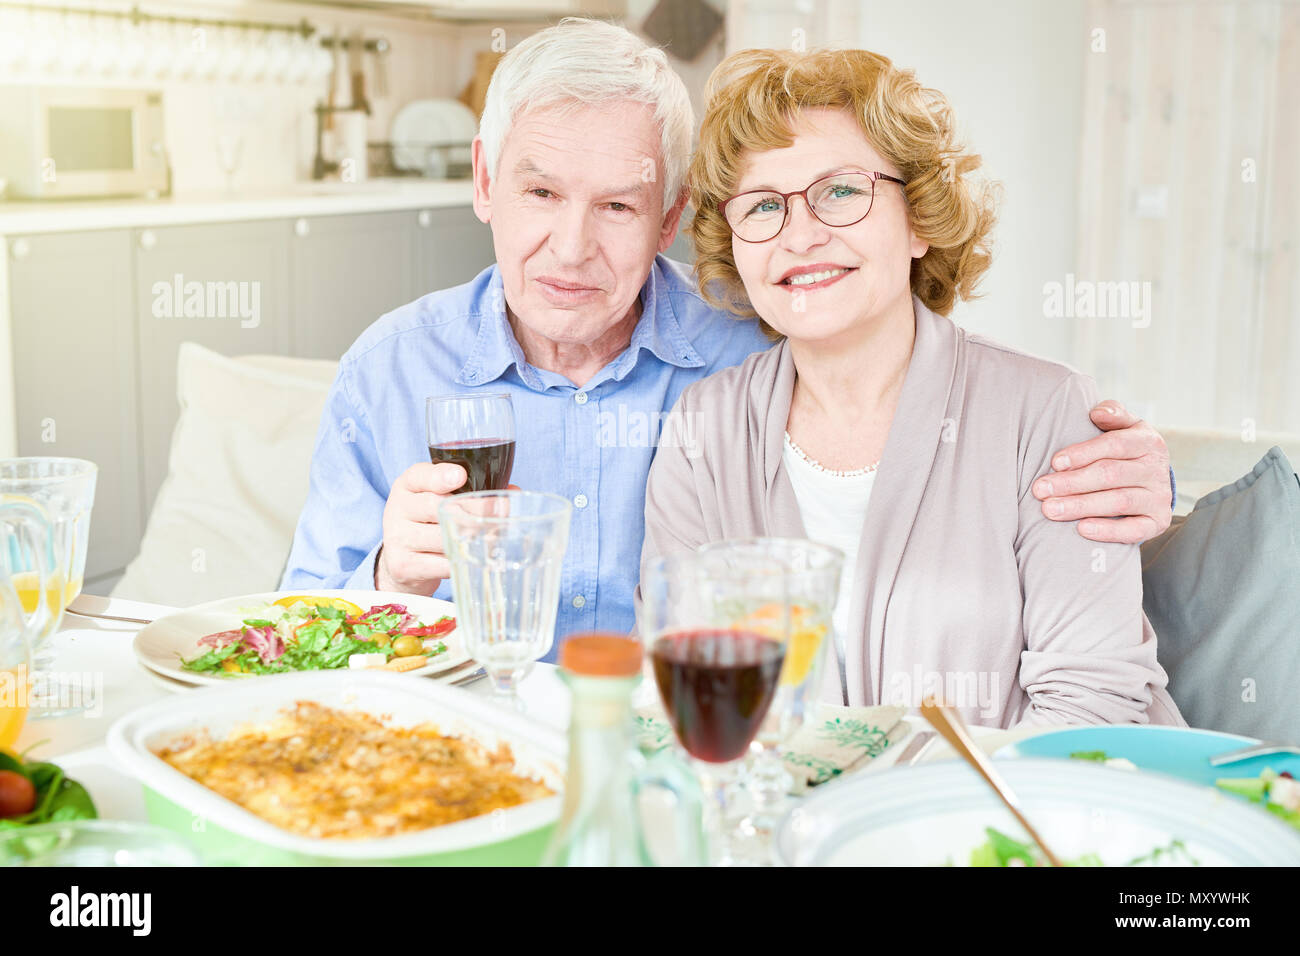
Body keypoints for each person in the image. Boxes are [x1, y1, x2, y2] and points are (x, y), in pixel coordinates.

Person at [282, 18, 1175, 665]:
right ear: (485, 182)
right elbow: (293, 642)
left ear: (671, 217)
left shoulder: (752, 351)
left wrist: (1152, 480)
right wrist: (389, 583)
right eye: (540, 193)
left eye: (620, 206)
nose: (570, 247)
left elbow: (938, 397)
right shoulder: (391, 369)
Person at [639, 47, 1185, 728]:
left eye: (841, 191)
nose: (801, 233)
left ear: (920, 218)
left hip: (1018, 822)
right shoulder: (703, 430)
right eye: (763, 205)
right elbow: (689, 691)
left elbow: (1092, 707)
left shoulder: (1045, 413)